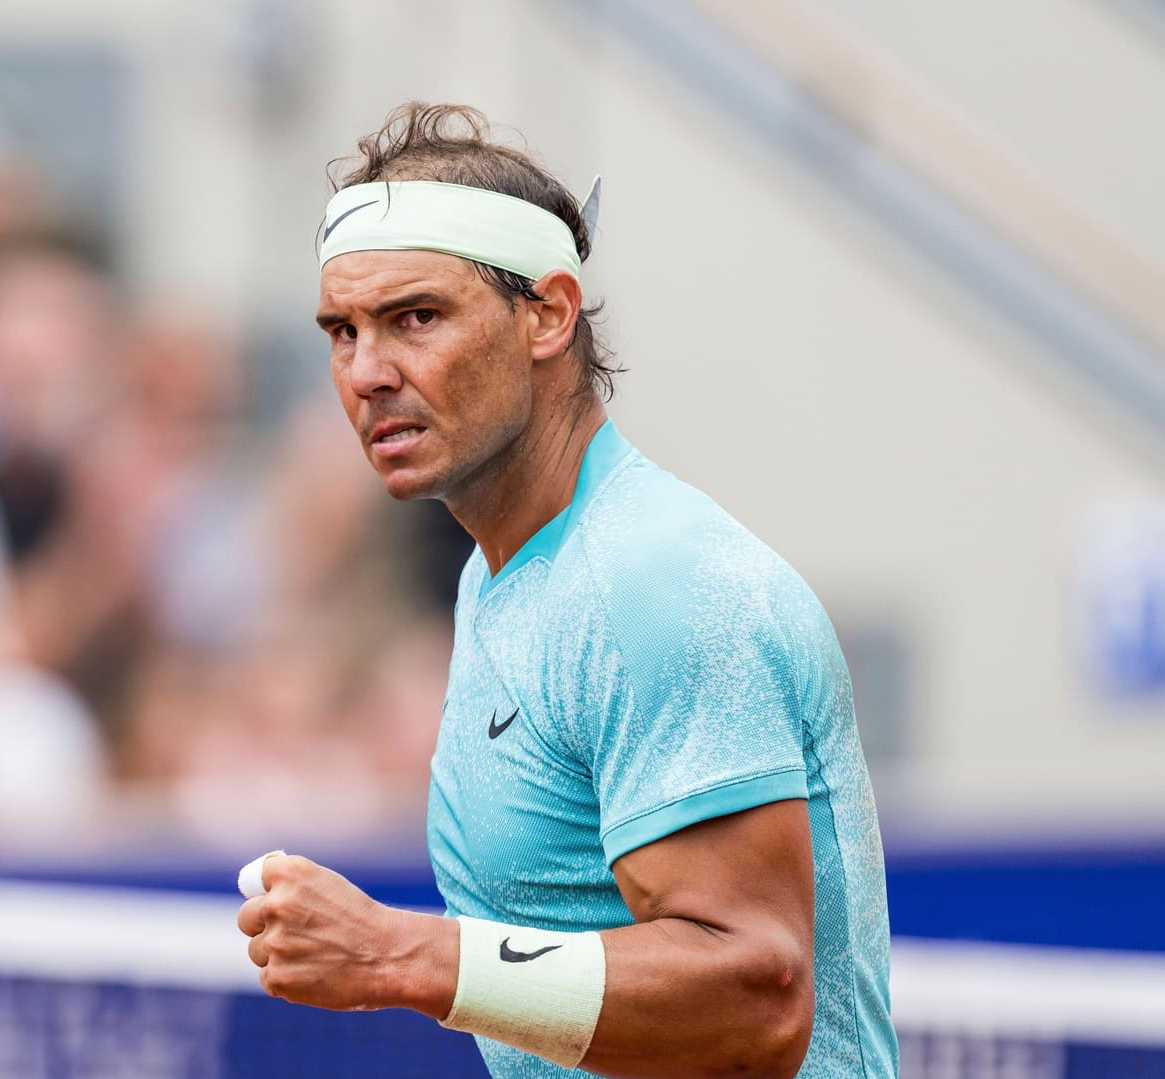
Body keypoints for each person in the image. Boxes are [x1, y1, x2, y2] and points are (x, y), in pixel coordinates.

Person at [237, 103, 896, 1079]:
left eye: (416, 317)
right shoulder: (496, 574)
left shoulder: (654, 583)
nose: (367, 371)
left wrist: (401, 954)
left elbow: (757, 995)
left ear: (546, 313)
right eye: (343, 330)